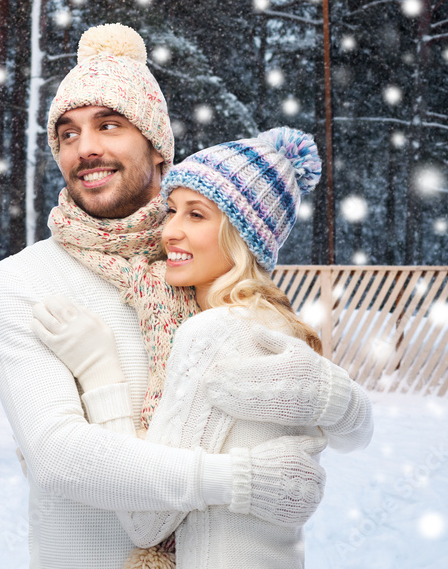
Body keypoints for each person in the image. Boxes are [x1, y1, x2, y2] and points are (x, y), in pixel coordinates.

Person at [0, 23, 339, 569]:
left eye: (110, 125)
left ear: (159, 148)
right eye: (68, 133)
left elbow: (280, 429)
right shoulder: (21, 283)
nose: (87, 148)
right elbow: (61, 456)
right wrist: (242, 481)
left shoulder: (208, 264)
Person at [31, 127, 374, 568]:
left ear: (243, 237)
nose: (169, 231)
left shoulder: (214, 333)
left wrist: (100, 371)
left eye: (196, 216)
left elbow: (145, 519)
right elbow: (354, 434)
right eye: (171, 210)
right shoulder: (277, 327)